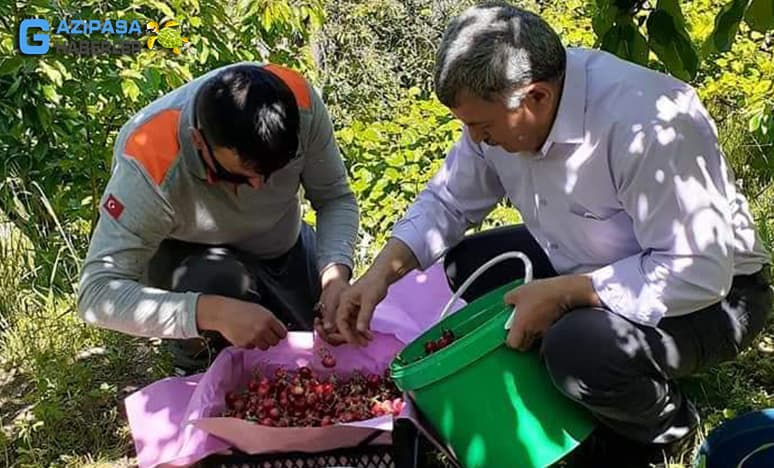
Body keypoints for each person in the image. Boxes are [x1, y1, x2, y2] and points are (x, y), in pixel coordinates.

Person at [333, 2, 772, 466]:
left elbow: (699, 270)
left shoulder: (646, 125)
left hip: (718, 297)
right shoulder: (510, 100)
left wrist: (566, 294)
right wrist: (378, 276)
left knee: (577, 348)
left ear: (537, 97)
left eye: (482, 127)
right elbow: (448, 201)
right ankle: (578, 387)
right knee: (471, 265)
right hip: (594, 261)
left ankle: (666, 426)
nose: (477, 140)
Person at [77, 62, 358, 374]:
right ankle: (199, 363)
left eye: (274, 171)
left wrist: (335, 276)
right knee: (217, 296)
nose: (257, 189)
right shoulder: (148, 163)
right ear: (198, 142)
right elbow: (97, 293)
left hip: (282, 246)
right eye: (235, 177)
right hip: (197, 264)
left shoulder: (300, 103)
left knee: (321, 349)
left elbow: (334, 198)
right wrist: (213, 312)